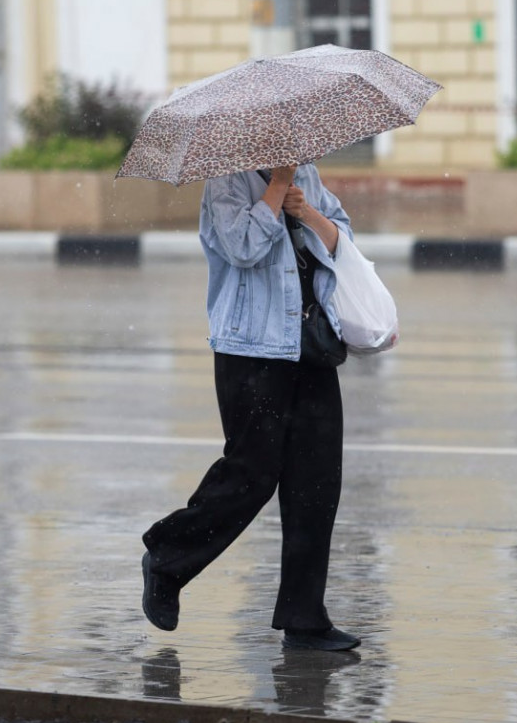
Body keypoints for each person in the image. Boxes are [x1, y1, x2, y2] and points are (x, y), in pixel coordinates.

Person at [140, 162, 361, 652]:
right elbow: (241, 247)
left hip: (310, 345)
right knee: (250, 474)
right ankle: (167, 559)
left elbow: (341, 238)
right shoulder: (225, 177)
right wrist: (276, 190)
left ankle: (304, 618)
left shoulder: (307, 170)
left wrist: (306, 212)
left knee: (317, 482)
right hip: (251, 349)